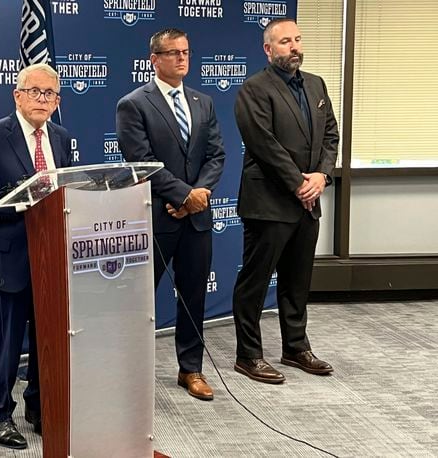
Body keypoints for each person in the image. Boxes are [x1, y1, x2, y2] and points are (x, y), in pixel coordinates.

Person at [0, 63, 72, 449]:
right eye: (35, 92)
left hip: (52, 264)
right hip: (5, 263)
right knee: (6, 350)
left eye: (50, 94)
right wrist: (21, 201)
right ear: (17, 95)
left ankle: (39, 408)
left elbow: (66, 194)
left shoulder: (61, 138)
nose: (43, 100)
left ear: (57, 101)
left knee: (48, 345)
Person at [116, 29, 225, 400]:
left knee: (193, 296)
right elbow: (141, 161)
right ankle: (130, 374)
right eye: (173, 52)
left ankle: (190, 369)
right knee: (141, 300)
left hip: (196, 220)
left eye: (186, 52)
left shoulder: (203, 102)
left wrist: (197, 196)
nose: (181, 58)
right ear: (154, 59)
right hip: (156, 218)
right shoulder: (133, 104)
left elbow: (216, 156)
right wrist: (182, 195)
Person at [231, 18, 338, 384]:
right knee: (255, 282)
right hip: (269, 202)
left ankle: (295, 346)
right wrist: (299, 183)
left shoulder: (316, 84)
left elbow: (331, 135)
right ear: (268, 49)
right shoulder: (254, 89)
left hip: (307, 201)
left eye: (297, 39)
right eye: (285, 42)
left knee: (297, 280)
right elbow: (263, 145)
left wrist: (322, 176)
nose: (294, 47)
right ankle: (248, 355)